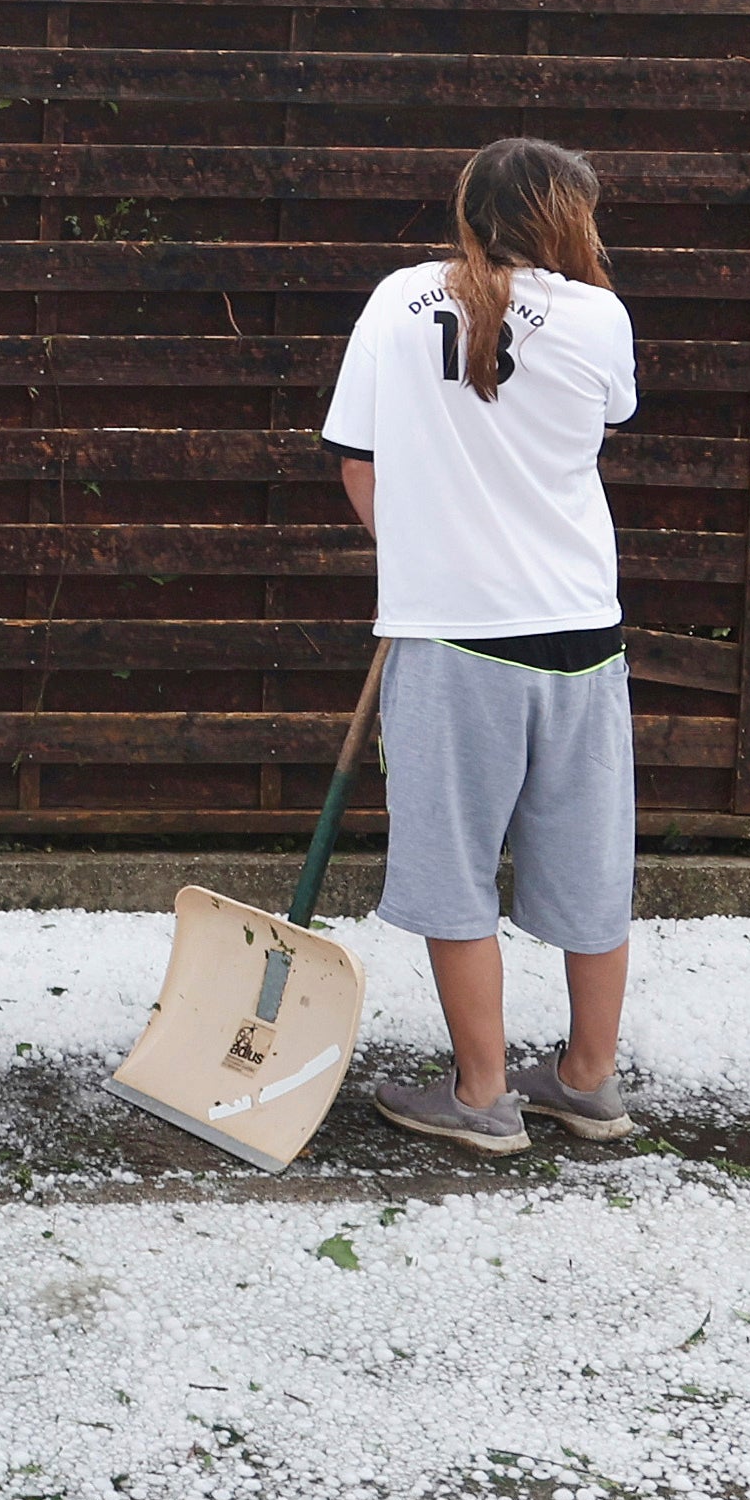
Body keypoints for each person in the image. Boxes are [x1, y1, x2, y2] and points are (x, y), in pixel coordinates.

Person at [319, 137, 641, 1157]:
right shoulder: (601, 316)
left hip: (456, 632)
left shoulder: (396, 299)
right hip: (583, 627)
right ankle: (588, 1081)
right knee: (591, 860)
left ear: (469, 211)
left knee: (452, 866)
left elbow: (357, 460)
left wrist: (422, 558)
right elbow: (601, 421)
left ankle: (483, 1092)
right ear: (571, 218)